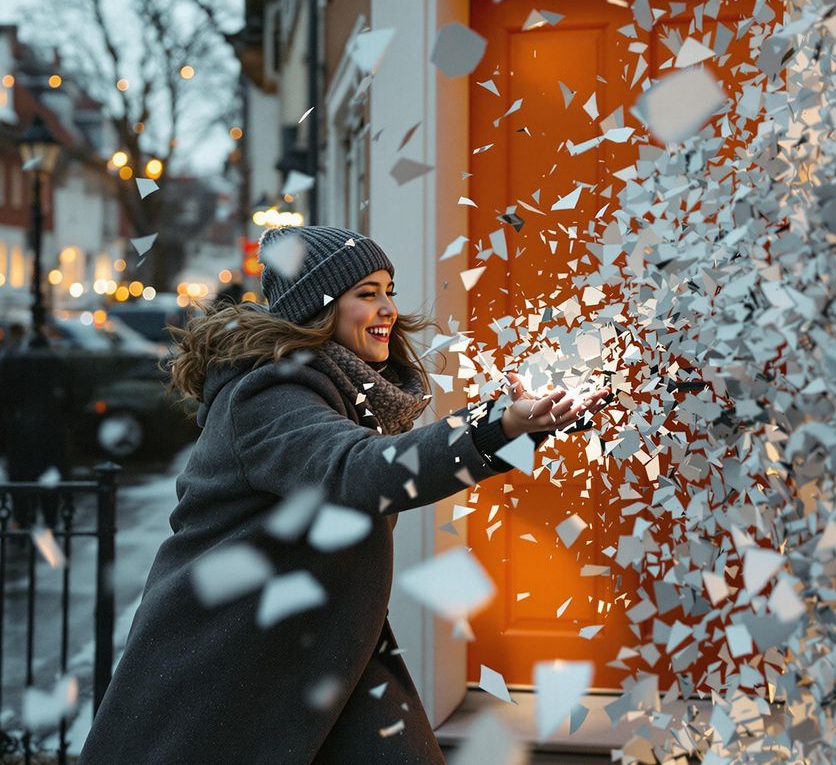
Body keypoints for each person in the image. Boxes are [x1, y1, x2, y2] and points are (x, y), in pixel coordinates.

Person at [77, 224, 611, 764]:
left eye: (389, 290)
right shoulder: (267, 395)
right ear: (319, 307)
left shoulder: (341, 392)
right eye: (366, 294)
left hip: (329, 650)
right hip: (230, 661)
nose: (388, 309)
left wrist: (526, 425)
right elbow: (358, 472)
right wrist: (494, 424)